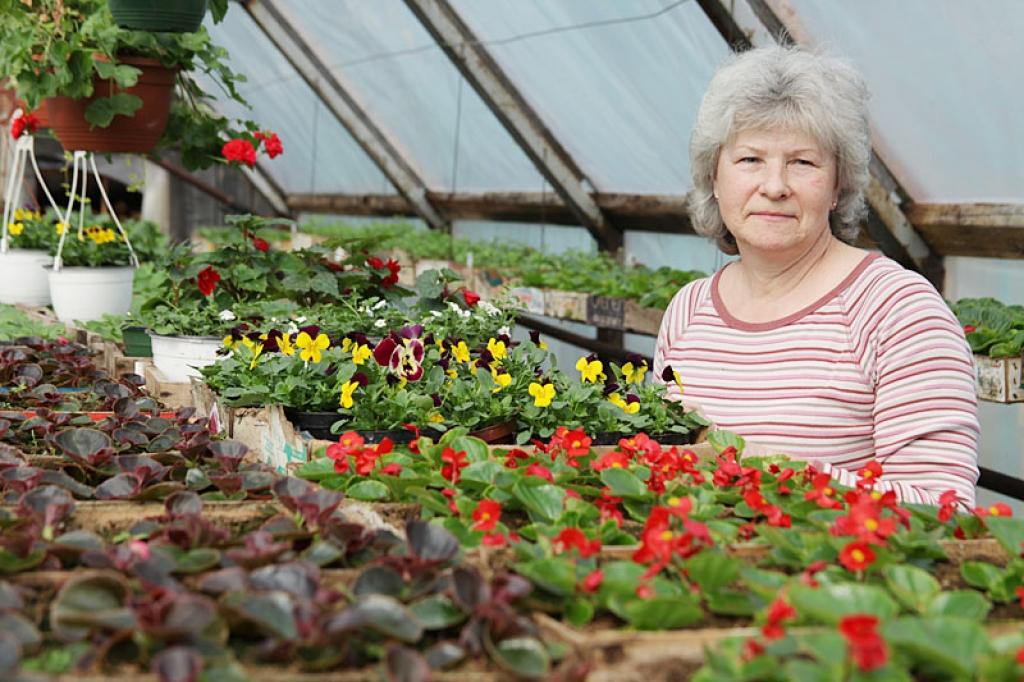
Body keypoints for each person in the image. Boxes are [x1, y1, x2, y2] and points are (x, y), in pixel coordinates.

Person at [653, 46, 979, 507]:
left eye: (802, 162)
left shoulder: (898, 311)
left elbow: (944, 508)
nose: (774, 186)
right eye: (749, 160)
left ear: (837, 186)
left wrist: (778, 475)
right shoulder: (689, 309)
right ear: (714, 176)